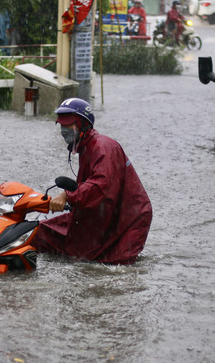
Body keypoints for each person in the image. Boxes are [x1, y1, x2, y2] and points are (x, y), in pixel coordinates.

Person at [31, 98, 153, 265]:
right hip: (105, 214)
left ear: (83, 125)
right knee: (37, 233)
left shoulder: (102, 147)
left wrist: (67, 196)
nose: (64, 130)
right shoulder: (86, 147)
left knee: (111, 268)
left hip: (127, 221)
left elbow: (99, 186)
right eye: (62, 126)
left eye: (69, 125)